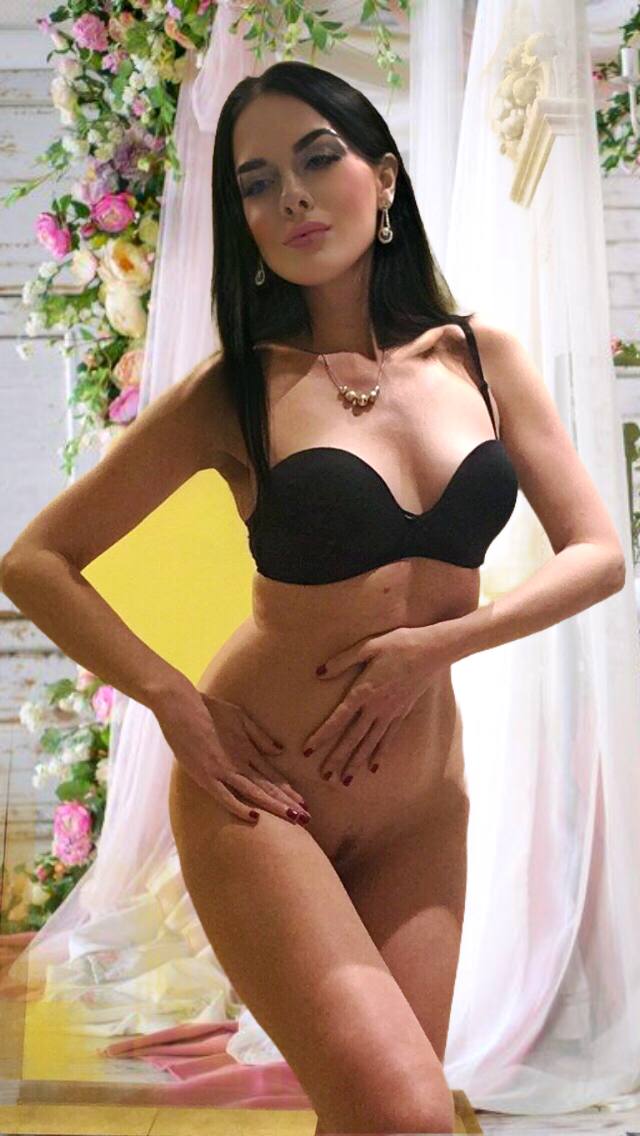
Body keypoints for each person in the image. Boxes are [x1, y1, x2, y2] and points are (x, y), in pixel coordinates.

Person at [1, 59, 626, 1135]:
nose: (289, 195)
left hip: (422, 803)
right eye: (256, 182)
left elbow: (599, 554)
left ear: (382, 179)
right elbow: (36, 561)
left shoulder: (480, 360)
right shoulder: (239, 389)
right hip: (261, 798)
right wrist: (172, 700)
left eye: (316, 158)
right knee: (410, 1117)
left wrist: (438, 646)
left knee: (374, 1122)